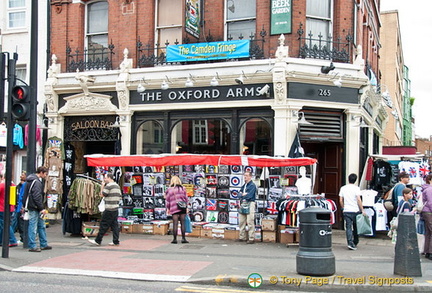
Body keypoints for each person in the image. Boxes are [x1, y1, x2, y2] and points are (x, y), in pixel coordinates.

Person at [88, 172, 121, 246]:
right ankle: (116, 241)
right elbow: (120, 196)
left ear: (109, 178)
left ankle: (98, 240)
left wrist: (102, 186)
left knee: (103, 224)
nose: (104, 179)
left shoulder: (108, 186)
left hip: (109, 208)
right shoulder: (117, 186)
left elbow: (102, 194)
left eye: (105, 178)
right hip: (115, 208)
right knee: (114, 225)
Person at [23, 166, 50, 252]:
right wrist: (41, 208)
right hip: (35, 207)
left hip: (32, 206)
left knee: (38, 225)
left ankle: (42, 243)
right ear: (41, 172)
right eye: (45, 174)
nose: (45, 176)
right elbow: (37, 196)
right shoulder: (37, 182)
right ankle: (34, 245)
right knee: (36, 226)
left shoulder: (30, 181)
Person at [339, 173, 366, 251]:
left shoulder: (343, 188)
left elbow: (341, 200)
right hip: (355, 210)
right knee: (356, 227)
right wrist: (362, 209)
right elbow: (358, 199)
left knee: (348, 227)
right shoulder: (356, 188)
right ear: (355, 180)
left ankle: (350, 243)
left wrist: (343, 207)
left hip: (347, 210)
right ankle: (355, 241)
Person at [165, 176, 189, 244]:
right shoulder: (183, 188)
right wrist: (187, 207)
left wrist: (168, 208)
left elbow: (168, 200)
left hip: (174, 207)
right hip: (182, 207)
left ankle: (174, 239)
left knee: (175, 223)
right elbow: (186, 199)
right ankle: (183, 238)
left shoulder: (169, 190)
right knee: (182, 223)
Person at [238, 171, 257, 244]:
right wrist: (243, 194)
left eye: (246, 175)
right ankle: (242, 237)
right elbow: (238, 194)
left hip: (250, 203)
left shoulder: (252, 185)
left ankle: (251, 238)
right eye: (244, 175)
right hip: (243, 203)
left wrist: (242, 195)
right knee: (241, 221)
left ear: (250, 176)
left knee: (250, 221)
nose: (245, 177)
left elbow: (249, 196)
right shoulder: (244, 185)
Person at [0, 174, 18, 247]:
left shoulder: (2, 186)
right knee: (5, 224)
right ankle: (2, 240)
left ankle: (12, 240)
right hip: (10, 208)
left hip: (1, 208)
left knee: (5, 224)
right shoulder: (13, 185)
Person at [12, 172, 26, 243]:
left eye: (23, 175)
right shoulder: (18, 186)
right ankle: (21, 238)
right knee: (17, 222)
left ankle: (23, 238)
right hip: (17, 206)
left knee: (22, 223)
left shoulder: (25, 185)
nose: (21, 176)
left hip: (22, 207)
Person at [420, 174, 432, 261]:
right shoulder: (430, 189)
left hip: (426, 211)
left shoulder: (426, 189)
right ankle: (430, 252)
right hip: (429, 211)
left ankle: (427, 250)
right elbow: (431, 202)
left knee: (428, 232)